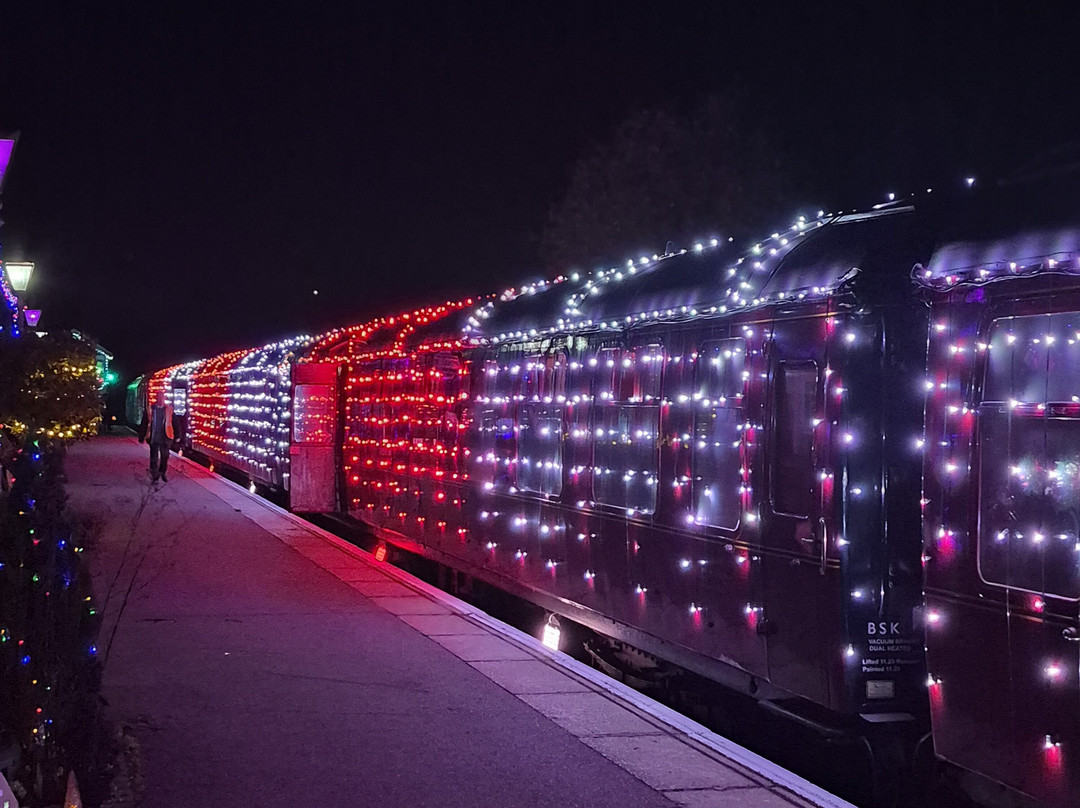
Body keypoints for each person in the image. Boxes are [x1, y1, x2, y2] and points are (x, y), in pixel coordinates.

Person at [138, 390, 176, 483]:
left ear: (164, 399)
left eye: (162, 398)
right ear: (156, 399)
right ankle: (154, 474)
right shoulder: (151, 409)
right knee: (153, 457)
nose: (160, 400)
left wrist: (178, 435)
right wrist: (141, 436)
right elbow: (145, 423)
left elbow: (175, 422)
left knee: (165, 456)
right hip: (153, 437)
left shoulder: (169, 409)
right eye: (159, 398)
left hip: (165, 437)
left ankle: (162, 472)